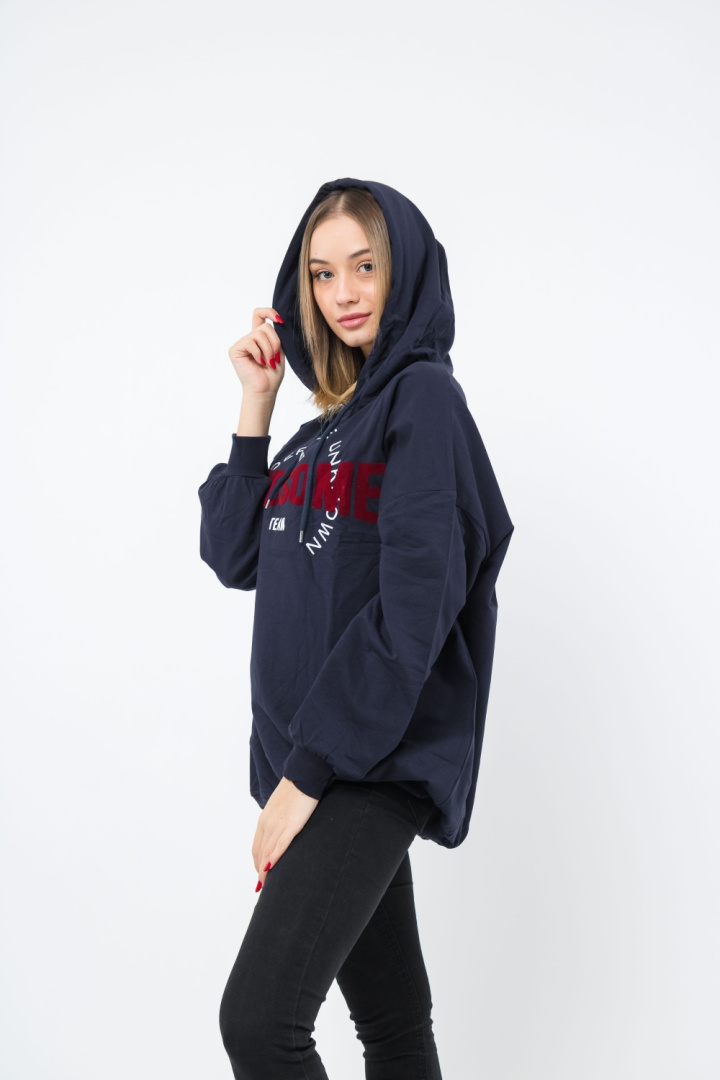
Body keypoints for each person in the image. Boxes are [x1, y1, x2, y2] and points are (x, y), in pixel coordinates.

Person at [197, 177, 513, 1080]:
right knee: (394, 1028)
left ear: (404, 270)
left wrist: (308, 774)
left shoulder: (426, 402)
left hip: (362, 763)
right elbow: (233, 554)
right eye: (322, 272)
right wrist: (257, 406)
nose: (343, 293)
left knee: (260, 1023)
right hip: (316, 761)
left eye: (365, 267)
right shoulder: (322, 432)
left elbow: (414, 611)